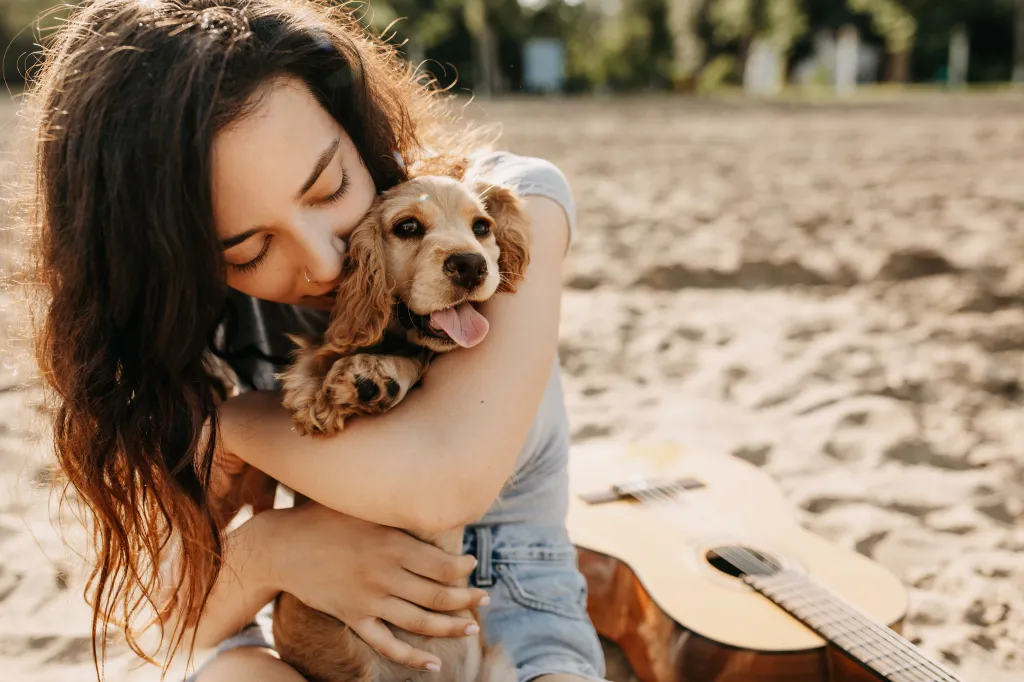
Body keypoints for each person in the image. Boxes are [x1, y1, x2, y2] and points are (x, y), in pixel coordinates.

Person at [25, 1, 605, 681]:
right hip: (327, 636)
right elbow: (179, 623)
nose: (324, 265)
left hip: (512, 613)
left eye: (330, 188)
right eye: (249, 250)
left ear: (355, 126)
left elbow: (443, 486)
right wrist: (272, 548)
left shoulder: (499, 212)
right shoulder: (195, 321)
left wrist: (233, 425)